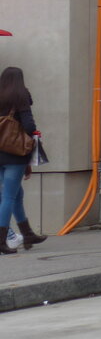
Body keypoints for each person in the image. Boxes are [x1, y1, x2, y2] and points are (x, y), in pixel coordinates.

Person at [0, 67, 45, 254]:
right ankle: (1, 241)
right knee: (9, 196)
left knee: (17, 195)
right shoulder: (20, 96)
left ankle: (27, 234)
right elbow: (29, 125)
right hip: (15, 154)